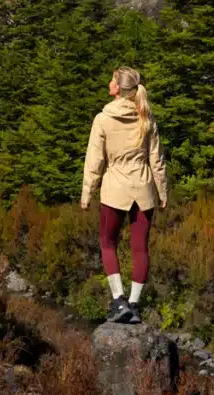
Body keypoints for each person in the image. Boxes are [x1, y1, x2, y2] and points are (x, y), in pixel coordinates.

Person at [80, 67, 168, 325]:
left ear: (117, 88)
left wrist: (87, 193)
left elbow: (94, 161)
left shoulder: (103, 119)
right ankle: (134, 304)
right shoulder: (147, 118)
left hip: (114, 190)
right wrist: (162, 191)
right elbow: (157, 161)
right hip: (143, 190)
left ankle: (118, 300)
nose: (109, 82)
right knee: (140, 248)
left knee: (108, 243)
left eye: (112, 80)